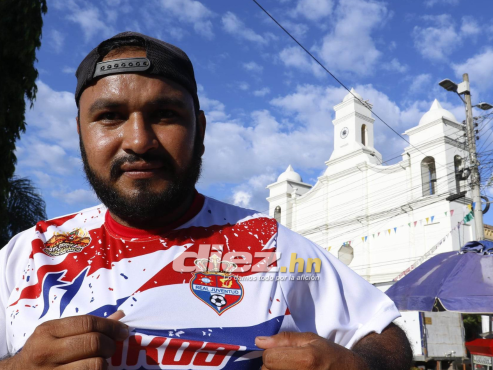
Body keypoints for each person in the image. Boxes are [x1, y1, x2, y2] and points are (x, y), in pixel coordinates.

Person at [0, 31, 412, 370]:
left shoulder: (267, 243)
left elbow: (382, 331)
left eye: (165, 115)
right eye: (110, 116)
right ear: (80, 132)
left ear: (200, 129)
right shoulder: (27, 256)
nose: (139, 140)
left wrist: (360, 367)